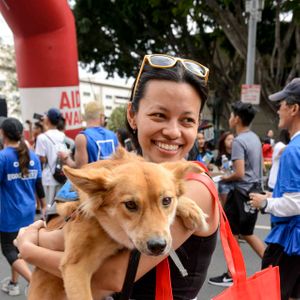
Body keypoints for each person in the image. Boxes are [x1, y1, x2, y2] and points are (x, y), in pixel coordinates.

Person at [15, 54, 219, 299]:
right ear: (132, 115)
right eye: (159, 115)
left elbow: (111, 277)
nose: (172, 131)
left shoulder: (196, 187)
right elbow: (73, 240)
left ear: (198, 125)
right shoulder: (127, 178)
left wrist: (29, 245)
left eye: (187, 120)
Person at [249, 78, 300, 300]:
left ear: (294, 108)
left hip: (289, 240)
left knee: (270, 294)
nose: (278, 109)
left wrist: (266, 203)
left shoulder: (293, 150)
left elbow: (296, 203)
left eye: (282, 104)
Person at [208, 101, 266, 287]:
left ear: (237, 119)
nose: (230, 118)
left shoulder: (239, 141)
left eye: (232, 115)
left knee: (231, 234)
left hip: (239, 192)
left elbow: (239, 172)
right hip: (253, 190)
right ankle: (274, 265)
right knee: (247, 233)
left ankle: (232, 274)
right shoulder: (255, 138)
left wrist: (224, 178)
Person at [0, 118, 44, 296]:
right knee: (17, 249)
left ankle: (35, 283)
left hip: (9, 214)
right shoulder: (32, 156)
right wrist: (44, 208)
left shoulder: (3, 157)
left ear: (3, 134)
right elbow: (39, 186)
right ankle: (13, 283)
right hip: (27, 213)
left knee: (9, 249)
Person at [58, 101, 119, 168]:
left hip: (93, 178)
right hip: (111, 177)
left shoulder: (82, 138)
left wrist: (66, 158)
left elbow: (80, 169)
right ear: (101, 116)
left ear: (84, 117)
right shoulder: (113, 135)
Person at [35, 108, 67, 207]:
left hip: (48, 177)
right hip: (60, 175)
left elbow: (42, 159)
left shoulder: (42, 137)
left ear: (48, 119)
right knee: (59, 207)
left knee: (48, 207)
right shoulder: (62, 135)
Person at [215, 131, 234, 206]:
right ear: (224, 142)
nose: (231, 141)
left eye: (233, 139)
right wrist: (221, 170)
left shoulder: (238, 154)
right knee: (225, 207)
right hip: (224, 184)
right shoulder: (220, 156)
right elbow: (218, 172)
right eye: (228, 139)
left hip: (236, 183)